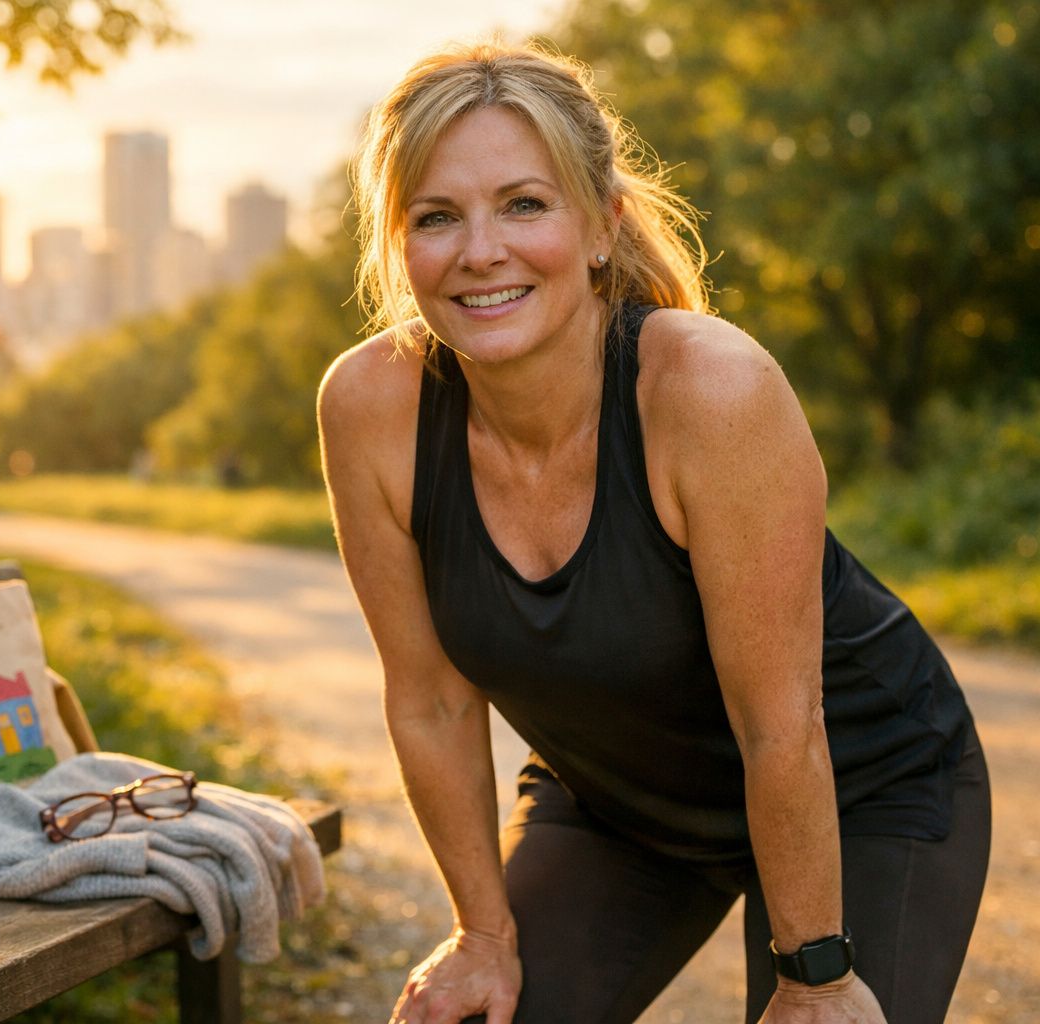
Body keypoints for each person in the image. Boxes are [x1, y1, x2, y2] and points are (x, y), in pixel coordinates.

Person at [317, 40, 989, 1024]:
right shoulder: (370, 406)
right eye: (436, 217)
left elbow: (782, 725)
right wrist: (482, 935)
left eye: (524, 204)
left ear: (601, 226)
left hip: (859, 782)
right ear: (398, 247)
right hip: (617, 803)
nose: (479, 250)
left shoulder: (711, 389)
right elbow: (430, 704)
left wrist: (817, 976)